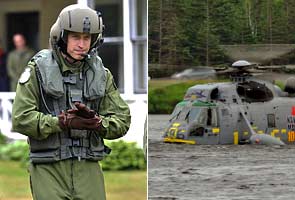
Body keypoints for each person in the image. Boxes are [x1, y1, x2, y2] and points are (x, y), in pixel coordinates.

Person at [12, 4, 131, 200]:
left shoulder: (101, 75)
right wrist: (61, 122)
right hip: (48, 168)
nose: (81, 44)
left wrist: (98, 123)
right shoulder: (38, 71)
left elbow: (122, 120)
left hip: (88, 167)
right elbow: (21, 118)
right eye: (75, 37)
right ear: (62, 36)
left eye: (87, 38)